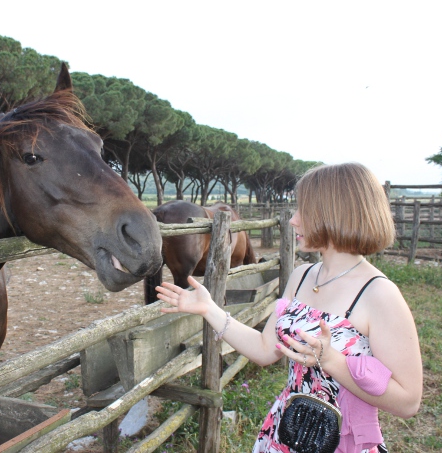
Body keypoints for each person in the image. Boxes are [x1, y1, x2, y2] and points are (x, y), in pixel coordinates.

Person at [155, 163, 422, 453]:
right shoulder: (302, 276)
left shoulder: (380, 294)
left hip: (341, 441)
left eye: (304, 210)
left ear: (335, 213)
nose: (293, 220)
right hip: (286, 430)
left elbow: (408, 402)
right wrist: (209, 309)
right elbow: (264, 349)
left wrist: (332, 361)